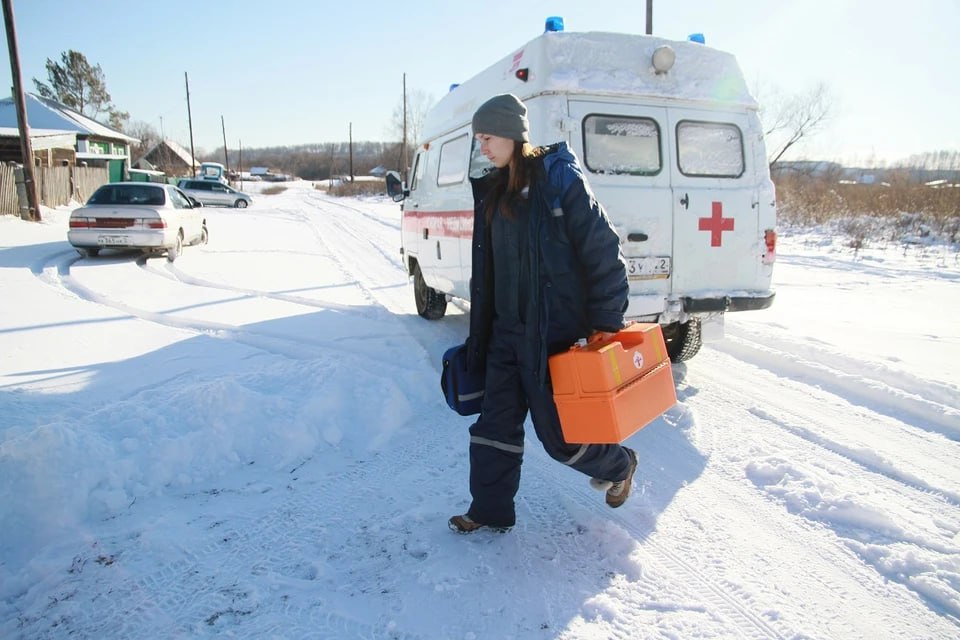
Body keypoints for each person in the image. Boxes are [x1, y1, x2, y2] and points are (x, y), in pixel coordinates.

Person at [449, 93, 638, 534]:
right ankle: (489, 511)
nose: (483, 147)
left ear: (514, 135)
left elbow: (603, 251)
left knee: (562, 440)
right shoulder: (494, 190)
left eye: (489, 137)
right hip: (504, 334)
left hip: (552, 336)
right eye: (479, 138)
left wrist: (605, 321)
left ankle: (620, 464)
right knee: (494, 428)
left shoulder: (558, 180)